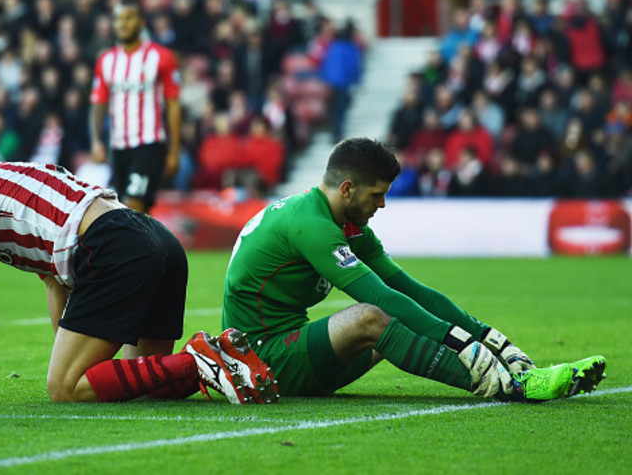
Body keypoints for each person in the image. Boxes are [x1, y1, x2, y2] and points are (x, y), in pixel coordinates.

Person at [222, 137, 606, 401]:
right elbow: (380, 298)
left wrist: (490, 337)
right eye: (377, 194)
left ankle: (509, 371)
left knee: (399, 317)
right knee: (371, 318)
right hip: (259, 360)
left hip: (295, 353)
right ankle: (508, 386)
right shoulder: (312, 226)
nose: (383, 204)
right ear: (348, 189)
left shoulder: (347, 225)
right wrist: (464, 344)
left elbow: (408, 288)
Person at [0, 160, 277, 405]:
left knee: (64, 389)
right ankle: (218, 357)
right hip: (157, 239)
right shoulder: (0, 181)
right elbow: (53, 281)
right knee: (145, 382)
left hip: (115, 245)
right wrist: (68, 344)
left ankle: (198, 359)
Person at [89, 0, 182, 214]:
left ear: (141, 23)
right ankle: (151, 247)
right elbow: (98, 103)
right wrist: (96, 142)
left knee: (134, 205)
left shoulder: (162, 57)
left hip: (149, 143)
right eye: (118, 19)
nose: (123, 24)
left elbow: (174, 105)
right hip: (118, 146)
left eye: (129, 18)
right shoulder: (106, 60)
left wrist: (174, 151)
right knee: (125, 209)